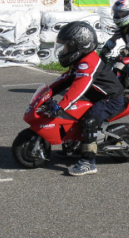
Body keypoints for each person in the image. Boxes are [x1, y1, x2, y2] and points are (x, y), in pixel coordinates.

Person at [48, 21, 125, 176]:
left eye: (66, 46)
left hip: (111, 99)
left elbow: (79, 86)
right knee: (72, 114)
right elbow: (66, 79)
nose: (63, 50)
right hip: (97, 97)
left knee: (89, 121)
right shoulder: (79, 60)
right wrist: (48, 92)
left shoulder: (88, 62)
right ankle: (72, 147)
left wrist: (61, 106)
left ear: (79, 45)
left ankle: (88, 162)